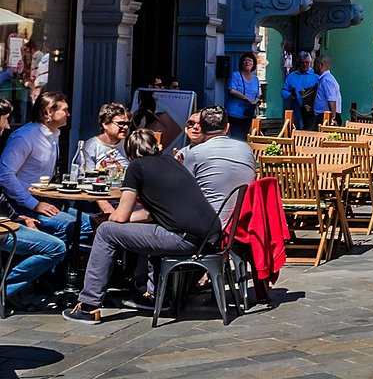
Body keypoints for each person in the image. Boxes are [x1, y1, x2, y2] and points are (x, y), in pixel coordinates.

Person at [62, 129, 221, 323]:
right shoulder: (171, 162)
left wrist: (107, 219)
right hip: (208, 236)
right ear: (156, 147)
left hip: (183, 239)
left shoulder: (136, 167)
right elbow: (153, 213)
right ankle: (153, 295)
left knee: (105, 232)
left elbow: (121, 217)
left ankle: (88, 305)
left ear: (129, 154)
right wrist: (122, 219)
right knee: (139, 229)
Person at [0, 91, 77, 242]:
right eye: (65, 110)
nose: (68, 114)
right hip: (20, 203)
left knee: (87, 223)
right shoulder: (25, 137)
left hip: (46, 200)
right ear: (49, 112)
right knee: (71, 226)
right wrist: (33, 204)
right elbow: (5, 175)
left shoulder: (54, 135)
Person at [181, 106, 256, 223]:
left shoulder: (195, 153)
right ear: (227, 128)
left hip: (206, 228)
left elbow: (181, 193)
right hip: (241, 225)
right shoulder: (247, 149)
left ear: (203, 129)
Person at [80, 103, 129, 173]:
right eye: (121, 123)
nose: (126, 127)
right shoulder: (90, 147)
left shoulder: (129, 145)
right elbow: (86, 175)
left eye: (127, 124)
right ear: (105, 124)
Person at [225, 53, 260, 141]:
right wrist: (246, 98)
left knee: (245, 136)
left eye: (250, 60)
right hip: (235, 113)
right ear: (241, 63)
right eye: (245, 60)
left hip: (248, 113)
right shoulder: (236, 75)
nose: (247, 62)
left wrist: (256, 101)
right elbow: (231, 90)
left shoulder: (255, 78)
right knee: (237, 136)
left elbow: (258, 94)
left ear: (254, 64)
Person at [281, 52, 319, 130]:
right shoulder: (291, 76)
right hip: (296, 110)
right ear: (298, 63)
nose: (305, 64)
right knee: (295, 132)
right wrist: (290, 95)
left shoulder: (316, 76)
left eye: (307, 62)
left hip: (311, 111)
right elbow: (284, 91)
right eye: (302, 62)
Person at [312, 57, 342, 123]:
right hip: (324, 115)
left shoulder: (326, 79)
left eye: (314, 65)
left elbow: (332, 100)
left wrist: (332, 119)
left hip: (326, 116)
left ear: (320, 66)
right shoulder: (324, 79)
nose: (313, 67)